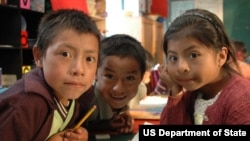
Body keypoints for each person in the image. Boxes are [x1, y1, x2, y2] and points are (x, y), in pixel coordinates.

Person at [0, 9, 100, 140]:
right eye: (65, 54)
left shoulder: (72, 94)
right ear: (39, 56)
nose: (79, 69)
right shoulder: (25, 106)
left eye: (89, 59)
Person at [159, 8, 250, 125]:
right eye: (173, 58)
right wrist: (176, 92)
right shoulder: (194, 93)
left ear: (221, 57)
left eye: (193, 55)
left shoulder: (242, 99)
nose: (181, 67)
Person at [84, 34, 146, 134]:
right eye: (109, 76)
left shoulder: (140, 89)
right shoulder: (85, 100)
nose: (119, 88)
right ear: (94, 73)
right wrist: (100, 126)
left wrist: (123, 116)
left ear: (141, 78)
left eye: (129, 78)